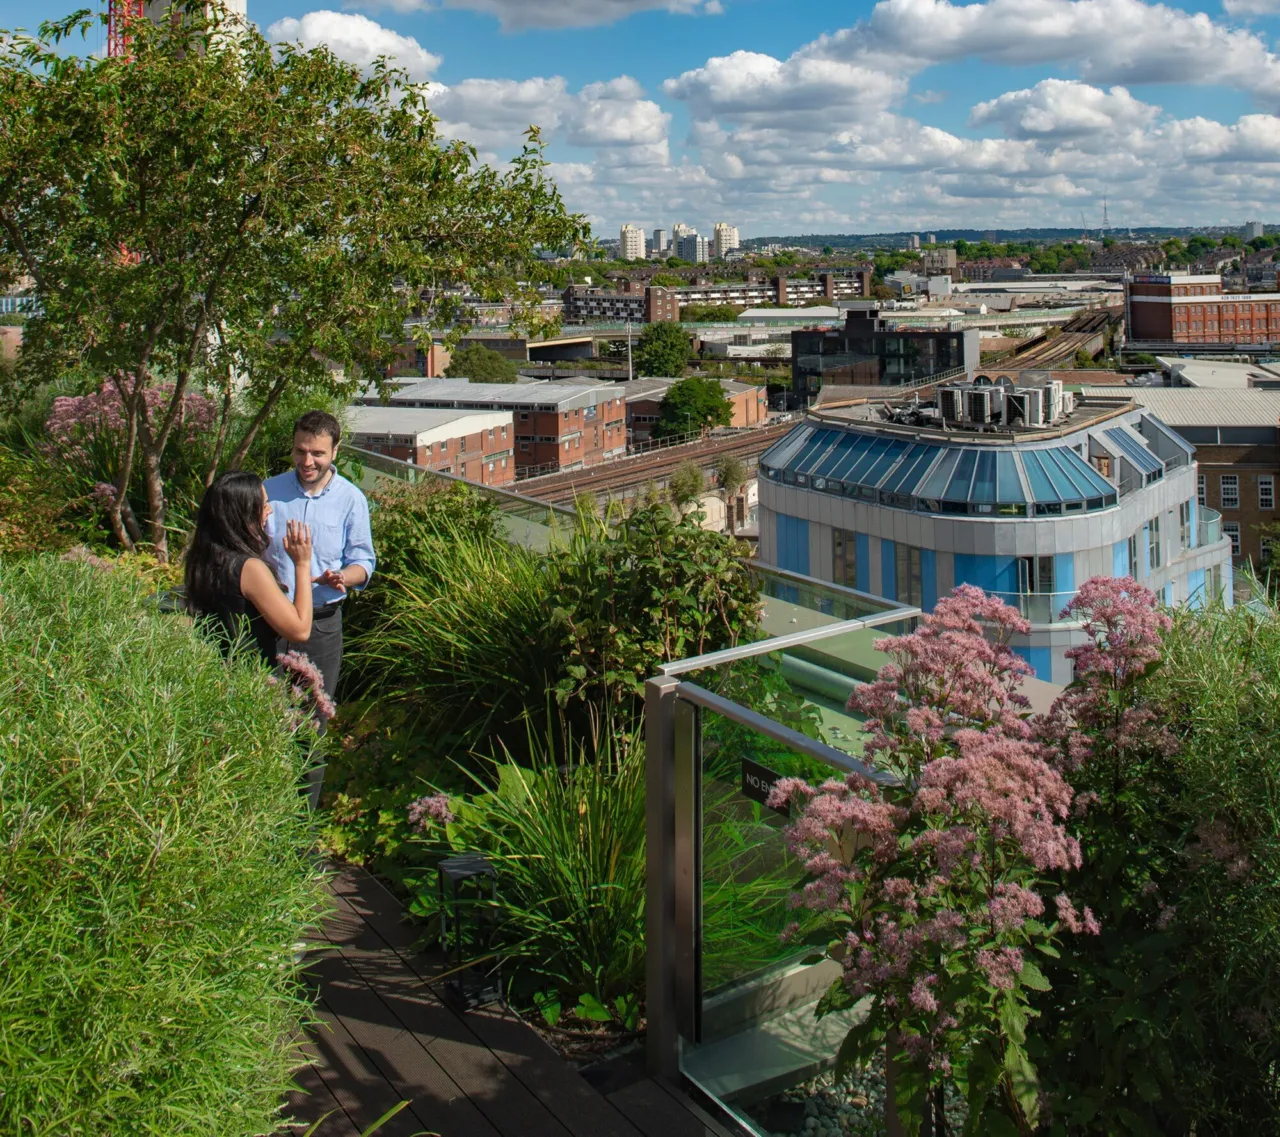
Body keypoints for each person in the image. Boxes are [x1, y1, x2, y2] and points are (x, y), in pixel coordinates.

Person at [262, 409, 376, 702]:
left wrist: (342, 577)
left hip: (321, 626)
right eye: (300, 451)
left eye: (317, 453)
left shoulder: (351, 499)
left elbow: (363, 562)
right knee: (263, 711)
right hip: (270, 619)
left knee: (313, 714)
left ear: (335, 451)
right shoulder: (267, 490)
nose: (307, 461)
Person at [184, 471, 316, 661]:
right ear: (244, 514)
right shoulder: (249, 568)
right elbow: (299, 631)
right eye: (264, 504)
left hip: (219, 667)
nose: (269, 510)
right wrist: (302, 564)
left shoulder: (204, 558)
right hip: (252, 671)